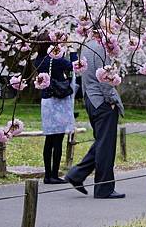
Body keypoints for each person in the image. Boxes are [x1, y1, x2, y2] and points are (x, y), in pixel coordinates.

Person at [66, 27, 125, 199]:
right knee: (106, 147)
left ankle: (76, 174)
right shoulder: (100, 48)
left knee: (102, 142)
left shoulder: (86, 46)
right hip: (102, 101)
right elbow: (105, 79)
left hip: (91, 99)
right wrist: (112, 101)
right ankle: (103, 189)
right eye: (111, 27)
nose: (114, 30)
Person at [33, 32, 75, 185]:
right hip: (59, 101)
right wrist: (72, 50)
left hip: (46, 101)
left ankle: (47, 175)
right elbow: (74, 65)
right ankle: (54, 175)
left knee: (49, 139)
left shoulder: (38, 60)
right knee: (58, 139)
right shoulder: (56, 61)